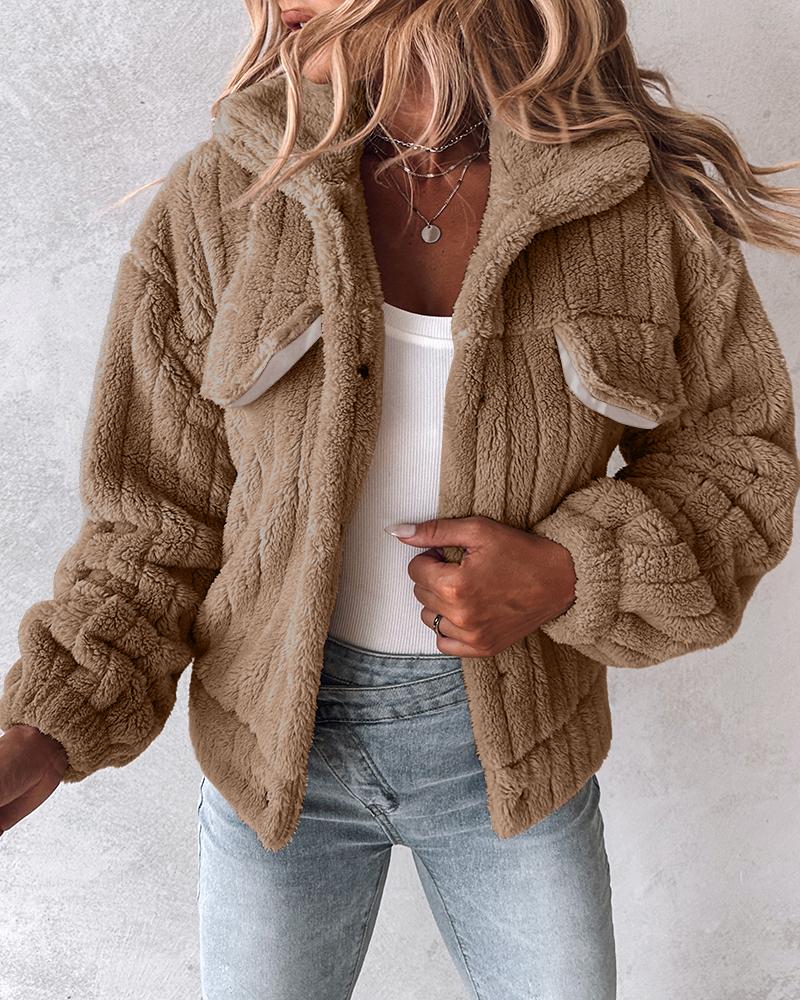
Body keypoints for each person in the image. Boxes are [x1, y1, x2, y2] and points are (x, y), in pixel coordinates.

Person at [1, 1, 798, 997]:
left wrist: (569, 570)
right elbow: (152, 521)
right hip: (272, 766)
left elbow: (741, 462)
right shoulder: (225, 198)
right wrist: (49, 725)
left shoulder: (629, 204)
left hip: (515, 762)